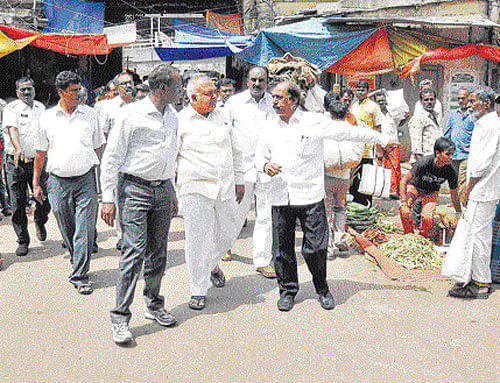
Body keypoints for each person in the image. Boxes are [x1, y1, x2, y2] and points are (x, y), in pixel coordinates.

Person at [255, 81, 394, 312]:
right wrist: (265, 164)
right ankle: (288, 290)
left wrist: (382, 139)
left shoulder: (314, 122)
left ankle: (322, 288)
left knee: (316, 248)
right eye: (273, 97)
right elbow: (259, 155)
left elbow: (349, 131)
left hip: (310, 195)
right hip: (280, 195)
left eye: (279, 97)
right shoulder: (269, 126)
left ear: (293, 100)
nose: (275, 102)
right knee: (282, 250)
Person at [100, 64, 181, 345]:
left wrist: (172, 192)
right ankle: (120, 318)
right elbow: (111, 158)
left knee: (158, 253)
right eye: (178, 86)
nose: (181, 91)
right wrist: (108, 198)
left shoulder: (172, 116)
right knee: (133, 253)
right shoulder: (130, 115)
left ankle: (154, 305)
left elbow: (171, 156)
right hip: (134, 190)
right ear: (163, 89)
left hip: (162, 190)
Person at [176, 75, 245, 310]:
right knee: (197, 239)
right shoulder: (180, 120)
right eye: (208, 94)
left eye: (215, 92)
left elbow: (236, 150)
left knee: (230, 231)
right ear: (192, 97)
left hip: (224, 185)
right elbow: (171, 157)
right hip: (194, 187)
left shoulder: (223, 116)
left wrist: (240, 179)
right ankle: (198, 288)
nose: (215, 96)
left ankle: (211, 263)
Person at [33, 71, 105, 294]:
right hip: (57, 183)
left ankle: (80, 275)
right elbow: (40, 154)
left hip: (86, 181)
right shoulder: (46, 118)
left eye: (79, 89)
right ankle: (78, 260)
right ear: (61, 92)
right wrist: (36, 183)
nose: (79, 93)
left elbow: (98, 147)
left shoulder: (90, 114)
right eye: (74, 91)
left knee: (84, 230)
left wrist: (103, 180)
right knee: (68, 228)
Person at [443, 87, 500, 300]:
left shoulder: (490, 125)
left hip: (482, 189)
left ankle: (480, 283)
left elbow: (481, 164)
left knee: (478, 238)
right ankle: (473, 278)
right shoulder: (488, 123)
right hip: (485, 189)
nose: (469, 104)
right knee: (477, 235)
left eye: (473, 101)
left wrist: (468, 188)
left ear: (486, 103)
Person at [224, 66, 277, 277]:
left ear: (267, 81)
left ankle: (262, 260)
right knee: (236, 212)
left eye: (261, 80)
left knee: (266, 216)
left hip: (267, 168)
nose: (257, 84)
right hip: (242, 168)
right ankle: (224, 245)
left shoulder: (275, 102)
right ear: (247, 81)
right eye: (253, 80)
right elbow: (225, 133)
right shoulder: (234, 103)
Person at [3, 77, 50, 256]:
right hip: (15, 163)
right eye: (23, 90)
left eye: (29, 89)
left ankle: (39, 219)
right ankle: (23, 240)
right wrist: (18, 148)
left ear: (34, 89)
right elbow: (12, 129)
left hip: (38, 161)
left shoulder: (40, 108)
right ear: (17, 92)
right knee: (17, 203)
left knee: (45, 199)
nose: (27, 92)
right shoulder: (11, 108)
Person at [323, 95, 363, 257]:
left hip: (327, 175)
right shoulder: (352, 129)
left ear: (331, 114)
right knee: (340, 208)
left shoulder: (326, 128)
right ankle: (339, 238)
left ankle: (327, 247)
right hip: (344, 177)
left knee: (325, 211)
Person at [399, 137, 461, 238]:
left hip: (431, 192)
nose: (451, 157)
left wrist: (459, 214)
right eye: (447, 154)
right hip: (415, 186)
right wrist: (403, 202)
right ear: (438, 153)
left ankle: (421, 238)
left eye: (452, 154)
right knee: (404, 209)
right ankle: (408, 236)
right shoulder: (424, 162)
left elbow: (454, 194)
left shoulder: (450, 171)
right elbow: (404, 181)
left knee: (427, 218)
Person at [349, 80, 384, 206]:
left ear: (367, 91)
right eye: (358, 90)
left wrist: (379, 148)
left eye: (362, 90)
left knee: (366, 179)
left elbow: (378, 128)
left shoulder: (373, 107)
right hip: (354, 149)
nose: (360, 92)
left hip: (368, 149)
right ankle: (356, 203)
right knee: (353, 179)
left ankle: (366, 205)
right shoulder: (353, 106)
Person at [444, 88, 475, 200]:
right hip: (454, 155)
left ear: (468, 98)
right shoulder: (453, 115)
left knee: (462, 181)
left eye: (463, 98)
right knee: (455, 181)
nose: (461, 101)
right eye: (459, 98)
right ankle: (459, 206)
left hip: (466, 154)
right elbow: (447, 133)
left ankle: (463, 207)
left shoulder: (473, 115)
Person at [374, 91, 401, 198]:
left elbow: (405, 116)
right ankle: (383, 190)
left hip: (393, 143)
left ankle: (394, 191)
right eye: (378, 101)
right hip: (380, 144)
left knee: (395, 167)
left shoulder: (393, 113)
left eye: (382, 100)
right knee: (382, 168)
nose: (381, 102)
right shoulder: (374, 113)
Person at [408, 88, 442, 162]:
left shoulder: (434, 116)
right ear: (421, 102)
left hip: (434, 160)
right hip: (424, 161)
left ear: (435, 101)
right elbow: (416, 147)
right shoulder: (418, 118)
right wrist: (422, 167)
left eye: (431, 99)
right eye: (426, 100)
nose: (429, 102)